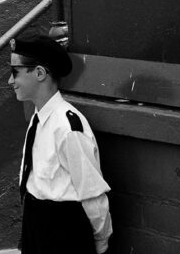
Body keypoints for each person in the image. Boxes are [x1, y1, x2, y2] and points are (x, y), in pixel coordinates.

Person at [9, 31, 111, 254]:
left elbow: (92, 192)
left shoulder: (68, 128)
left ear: (39, 73)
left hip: (63, 233)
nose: (10, 81)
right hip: (35, 222)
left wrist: (101, 240)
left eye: (15, 72)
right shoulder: (38, 119)